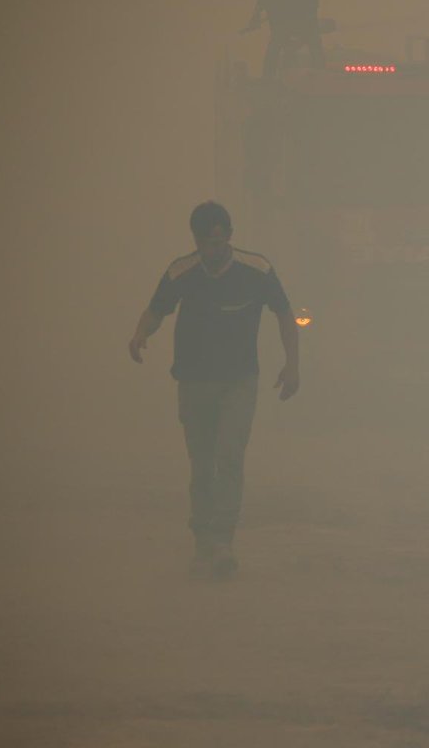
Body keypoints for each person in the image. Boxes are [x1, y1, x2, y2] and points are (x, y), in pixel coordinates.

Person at [129, 201, 300, 580]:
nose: (213, 251)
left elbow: (285, 314)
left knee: (230, 455)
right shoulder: (181, 272)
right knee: (203, 464)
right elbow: (156, 310)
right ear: (196, 240)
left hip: (239, 381)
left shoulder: (257, 270)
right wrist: (141, 333)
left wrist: (293, 364)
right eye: (206, 244)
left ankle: (224, 540)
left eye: (219, 244)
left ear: (229, 238)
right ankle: (203, 541)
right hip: (194, 382)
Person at [242, 0, 333, 79]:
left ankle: (268, 80)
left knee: (277, 38)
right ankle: (321, 75)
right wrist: (312, 9)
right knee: (312, 38)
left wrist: (256, 13)